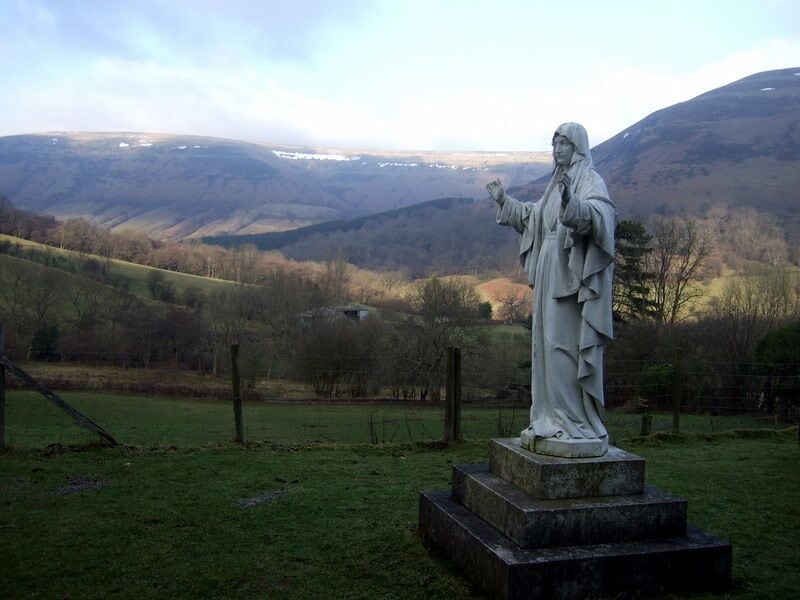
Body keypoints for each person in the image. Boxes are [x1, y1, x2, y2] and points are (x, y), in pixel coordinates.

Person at [487, 122, 616, 458]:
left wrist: (574, 206)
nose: (556, 149)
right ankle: (547, 416)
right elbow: (535, 220)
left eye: (563, 143)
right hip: (548, 269)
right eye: (554, 143)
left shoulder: (589, 179)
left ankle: (574, 421)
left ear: (578, 146)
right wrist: (506, 202)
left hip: (570, 274)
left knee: (563, 345)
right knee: (544, 345)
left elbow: (601, 217)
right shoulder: (555, 183)